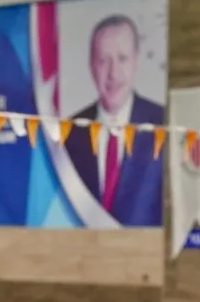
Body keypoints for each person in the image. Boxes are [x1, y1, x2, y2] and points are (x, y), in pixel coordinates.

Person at [64, 14, 164, 227]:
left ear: (136, 60)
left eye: (122, 58)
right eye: (103, 60)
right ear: (91, 65)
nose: (113, 73)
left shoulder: (164, 125)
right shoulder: (68, 133)